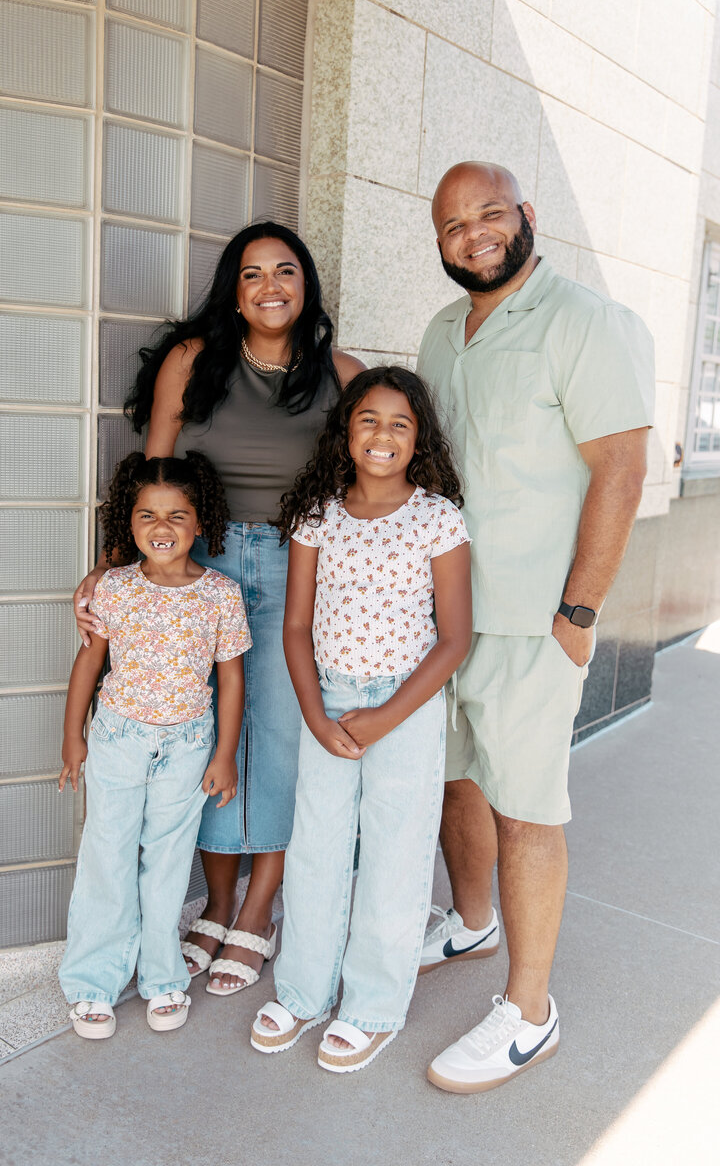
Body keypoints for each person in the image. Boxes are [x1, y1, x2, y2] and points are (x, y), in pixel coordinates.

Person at [74, 223, 363, 995]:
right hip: (195, 563)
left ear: (307, 286)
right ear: (233, 293)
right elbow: (151, 468)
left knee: (276, 738)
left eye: (286, 272)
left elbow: (364, 486)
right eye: (252, 275)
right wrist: (108, 570)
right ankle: (219, 899)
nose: (270, 287)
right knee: (201, 732)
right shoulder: (194, 361)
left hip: (298, 567)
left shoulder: (342, 374)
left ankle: (258, 908)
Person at [416, 161, 655, 1092]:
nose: (472, 235)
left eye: (487, 214)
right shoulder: (442, 332)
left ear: (526, 215)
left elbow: (622, 474)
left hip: (531, 625)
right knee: (456, 784)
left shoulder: (585, 323)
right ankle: (470, 923)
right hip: (444, 620)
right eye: (450, 226)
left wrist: (578, 614)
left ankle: (528, 1013)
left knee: (526, 811)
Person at [249, 367, 472, 1072]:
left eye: (400, 424)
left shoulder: (437, 517)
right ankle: (303, 990)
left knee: (394, 852)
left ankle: (373, 1005)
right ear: (346, 432)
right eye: (368, 420)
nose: (383, 435)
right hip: (329, 699)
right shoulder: (319, 515)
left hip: (405, 705)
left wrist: (383, 719)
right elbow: (294, 627)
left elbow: (455, 637)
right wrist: (317, 714)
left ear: (419, 439)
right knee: (316, 845)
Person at [58, 452, 250, 1038]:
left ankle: (162, 976)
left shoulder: (221, 593)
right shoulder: (112, 588)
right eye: (146, 515)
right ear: (129, 523)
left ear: (200, 523)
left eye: (176, 514)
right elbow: (89, 663)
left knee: (167, 863)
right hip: (117, 739)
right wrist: (73, 738)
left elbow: (232, 678)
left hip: (189, 745)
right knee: (107, 857)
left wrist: (223, 755)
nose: (161, 527)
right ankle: (93, 982)